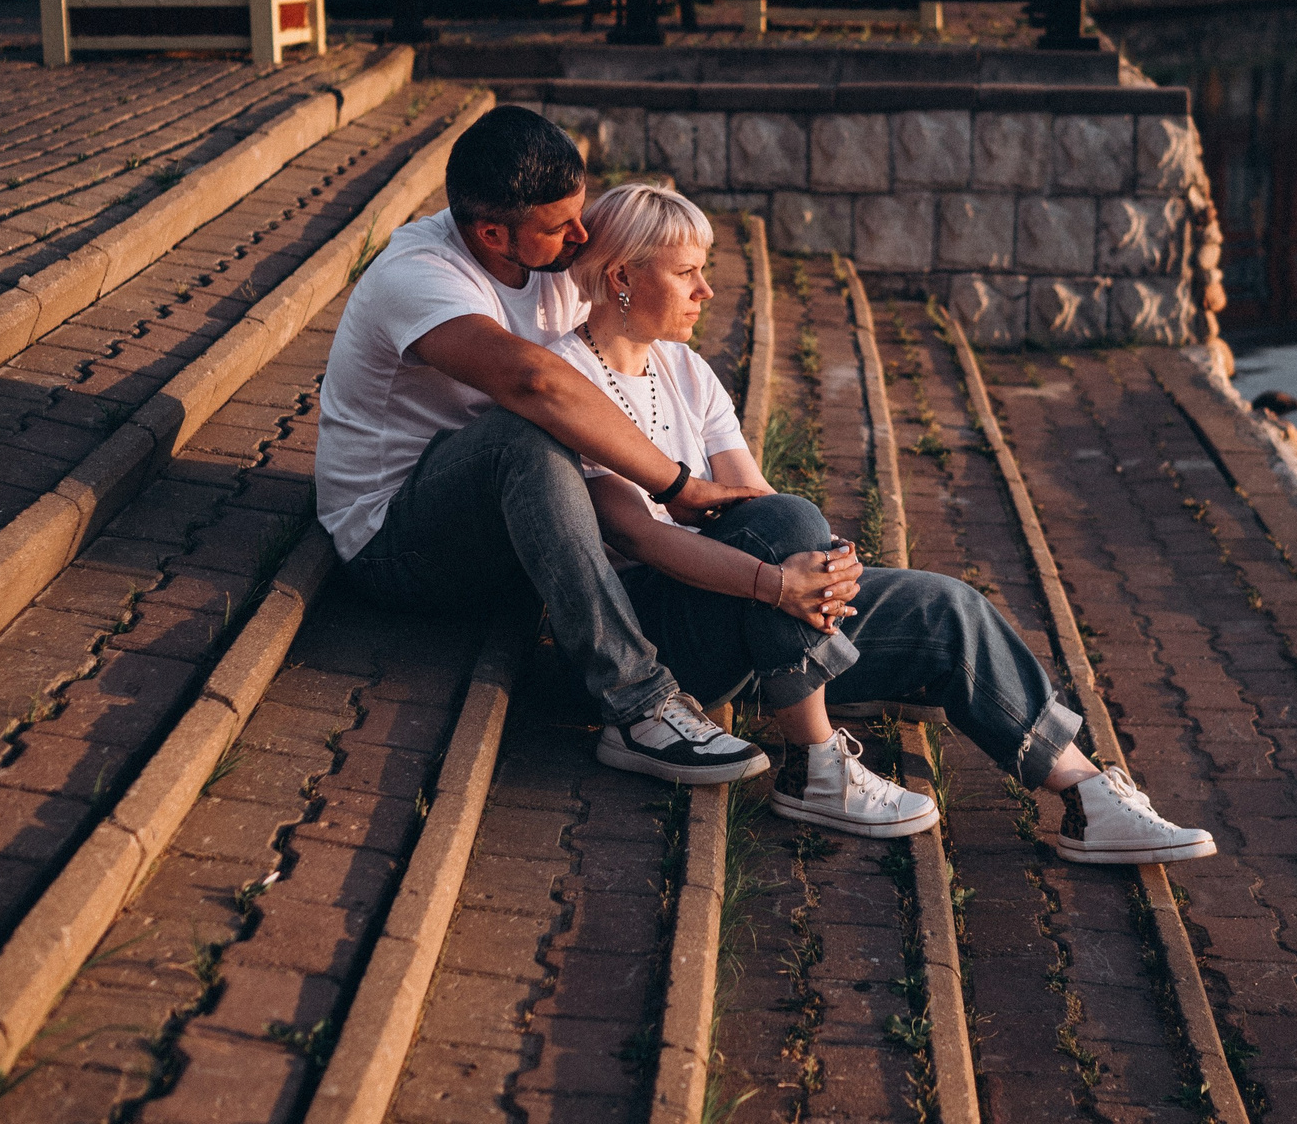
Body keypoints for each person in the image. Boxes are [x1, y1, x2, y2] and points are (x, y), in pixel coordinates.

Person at [557, 181, 1218, 862]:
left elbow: (755, 499)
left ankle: (1086, 794)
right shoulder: (569, 378)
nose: (706, 290)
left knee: (948, 607)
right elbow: (639, 536)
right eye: (687, 273)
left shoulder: (685, 369)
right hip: (658, 635)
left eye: (706, 270)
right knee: (792, 522)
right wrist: (779, 581)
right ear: (622, 276)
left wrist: (823, 567)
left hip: (752, 613)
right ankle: (815, 767)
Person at [314, 105, 783, 787]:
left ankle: (800, 646)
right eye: (560, 226)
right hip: (394, 540)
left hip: (510, 527)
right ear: (492, 233)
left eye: (580, 211)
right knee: (525, 432)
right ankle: (639, 707)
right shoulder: (417, 274)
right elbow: (534, 382)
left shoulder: (550, 256)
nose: (581, 235)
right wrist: (677, 484)